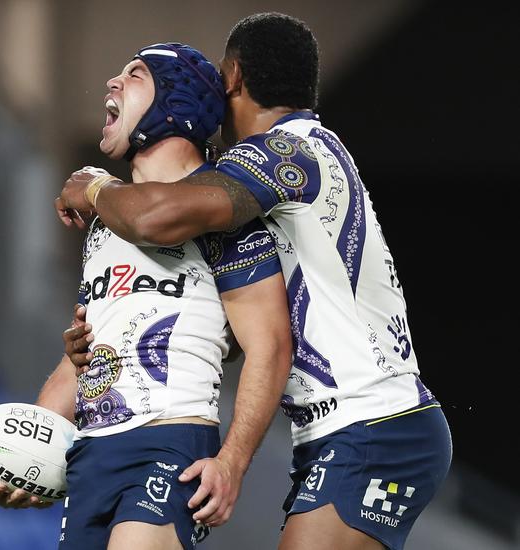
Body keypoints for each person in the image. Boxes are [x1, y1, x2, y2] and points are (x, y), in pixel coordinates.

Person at [55, 13, 453, 550]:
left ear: (234, 76)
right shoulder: (315, 152)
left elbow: (156, 218)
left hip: (371, 424)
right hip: (366, 425)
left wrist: (95, 187)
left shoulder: (285, 152)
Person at [0, 41, 293, 550]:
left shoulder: (220, 209)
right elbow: (81, 358)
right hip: (92, 453)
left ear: (177, 101)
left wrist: (232, 462)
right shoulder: (102, 230)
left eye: (136, 75)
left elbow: (271, 344)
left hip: (171, 439)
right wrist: (25, 455)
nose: (111, 83)